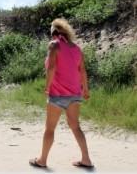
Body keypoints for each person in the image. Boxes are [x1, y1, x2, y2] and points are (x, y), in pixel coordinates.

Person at [29, 18, 93, 168]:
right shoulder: (77, 48)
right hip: (75, 94)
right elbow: (82, 70)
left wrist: (46, 88)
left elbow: (51, 68)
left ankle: (42, 160)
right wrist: (86, 89)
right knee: (75, 126)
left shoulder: (54, 45)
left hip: (58, 95)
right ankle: (86, 159)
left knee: (50, 128)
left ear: (54, 34)